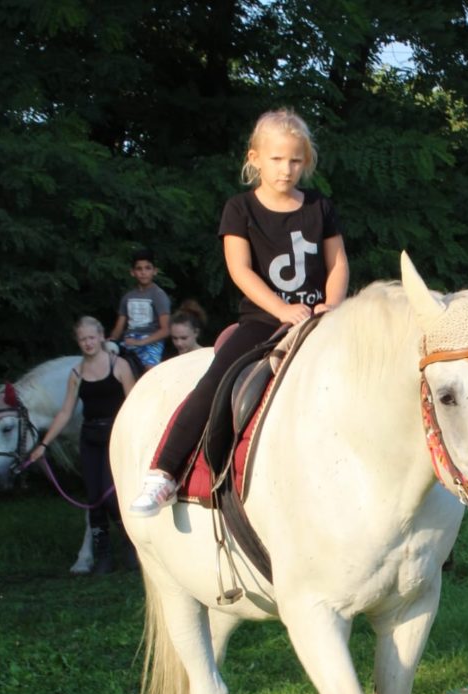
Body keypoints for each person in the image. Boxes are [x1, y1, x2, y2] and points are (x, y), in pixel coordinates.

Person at [128, 108, 349, 516]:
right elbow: (240, 270)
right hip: (264, 320)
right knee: (217, 378)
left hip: (321, 319)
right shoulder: (240, 208)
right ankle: (164, 472)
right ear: (255, 158)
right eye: (277, 159)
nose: (286, 169)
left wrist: (331, 306)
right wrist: (282, 309)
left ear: (306, 161)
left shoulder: (320, 206)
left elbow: (337, 264)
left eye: (295, 160)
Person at [27, 316, 136, 574]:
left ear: (101, 337)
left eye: (91, 338)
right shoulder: (76, 373)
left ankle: (132, 546)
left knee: (111, 497)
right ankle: (103, 556)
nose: (88, 343)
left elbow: (134, 402)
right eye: (82, 339)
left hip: (115, 436)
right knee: (94, 499)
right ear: (78, 342)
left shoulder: (119, 365)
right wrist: (44, 444)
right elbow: (65, 412)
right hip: (90, 438)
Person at [109, 248, 172, 372]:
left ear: (155, 271)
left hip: (151, 340)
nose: (143, 272)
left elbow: (166, 330)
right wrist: (111, 340)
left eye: (148, 268)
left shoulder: (158, 295)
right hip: (129, 340)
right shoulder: (127, 297)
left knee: (150, 370)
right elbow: (119, 328)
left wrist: (141, 342)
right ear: (132, 272)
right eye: (139, 269)